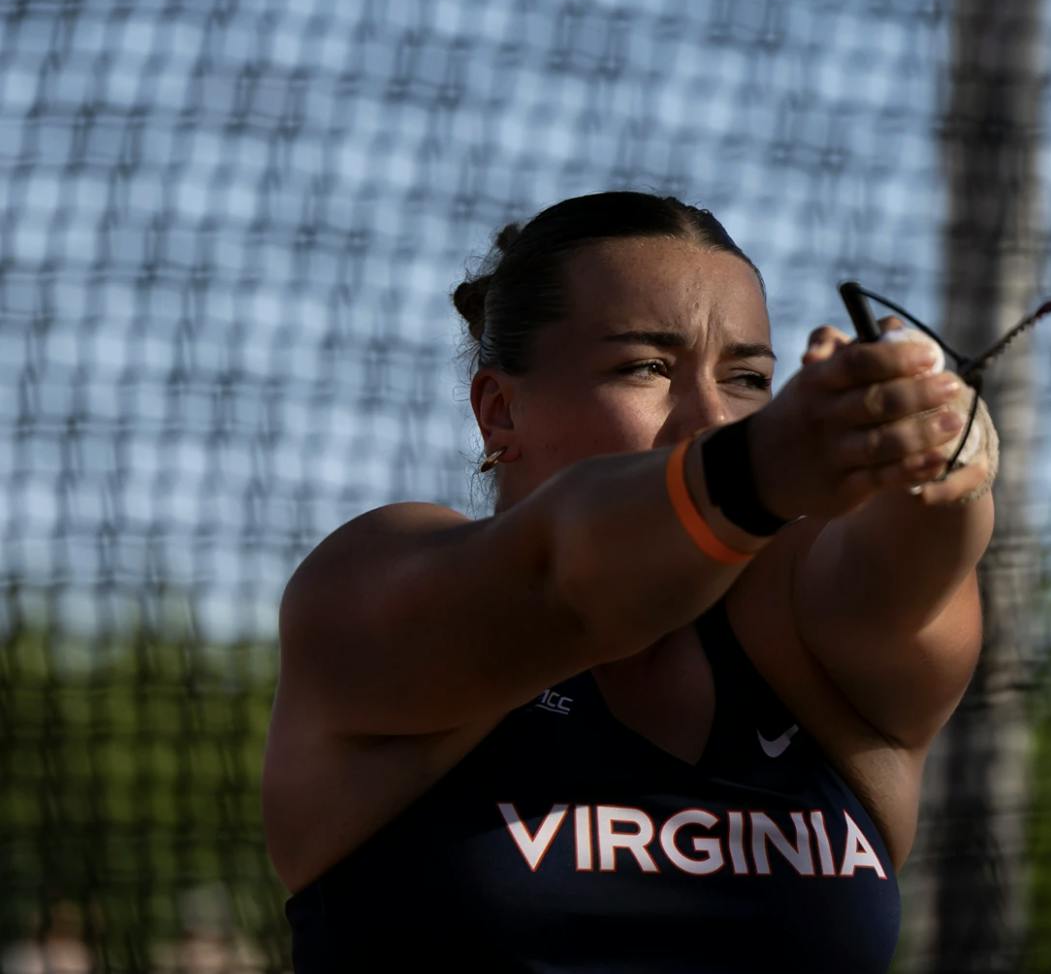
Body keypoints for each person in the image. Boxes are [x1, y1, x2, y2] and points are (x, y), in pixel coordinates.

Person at [261, 191, 997, 972]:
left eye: (748, 378)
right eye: (645, 367)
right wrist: (758, 467)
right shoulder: (374, 578)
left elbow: (912, 568)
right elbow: (564, 578)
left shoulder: (800, 625)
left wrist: (940, 451)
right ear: (499, 409)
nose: (708, 417)